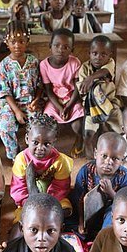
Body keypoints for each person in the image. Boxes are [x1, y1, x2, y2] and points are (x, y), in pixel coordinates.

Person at [10, 113, 73, 238]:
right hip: (28, 200)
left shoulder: (60, 162)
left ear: (54, 141)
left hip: (52, 199)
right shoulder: (21, 160)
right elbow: (18, 188)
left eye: (46, 144)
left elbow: (61, 188)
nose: (40, 148)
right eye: (35, 142)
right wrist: (30, 204)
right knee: (20, 221)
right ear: (27, 139)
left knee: (65, 208)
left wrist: (46, 205)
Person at [69, 132, 127, 238]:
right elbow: (78, 199)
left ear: (122, 159)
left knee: (114, 212)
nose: (108, 162)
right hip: (85, 214)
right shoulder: (86, 171)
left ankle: (103, 237)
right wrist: (81, 223)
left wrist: (111, 192)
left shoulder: (124, 176)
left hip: (111, 216)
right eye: (104, 156)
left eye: (115, 158)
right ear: (96, 153)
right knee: (68, 219)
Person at [0, 20, 42, 161]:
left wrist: (36, 100)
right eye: (13, 41)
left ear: (27, 41)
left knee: (37, 126)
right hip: (11, 104)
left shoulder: (33, 62)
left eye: (21, 41)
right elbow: (4, 92)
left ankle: (32, 154)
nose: (17, 45)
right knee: (6, 124)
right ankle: (14, 154)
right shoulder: (4, 64)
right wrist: (16, 111)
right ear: (7, 43)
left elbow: (40, 84)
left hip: (30, 102)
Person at [40, 28, 84, 157]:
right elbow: (48, 90)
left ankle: (80, 139)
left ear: (72, 50)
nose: (60, 49)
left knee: (78, 125)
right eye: (57, 45)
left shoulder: (74, 63)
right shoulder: (44, 65)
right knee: (48, 123)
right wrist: (60, 107)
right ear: (50, 47)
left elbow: (77, 88)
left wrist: (69, 106)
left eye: (66, 47)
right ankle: (50, 146)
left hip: (72, 98)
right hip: (55, 101)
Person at [77, 35, 122, 158]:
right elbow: (82, 89)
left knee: (119, 131)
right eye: (94, 53)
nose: (98, 57)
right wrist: (92, 84)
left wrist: (91, 78)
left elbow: (105, 71)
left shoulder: (110, 64)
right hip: (92, 108)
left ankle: (120, 153)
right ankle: (91, 160)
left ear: (109, 55)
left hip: (111, 105)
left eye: (103, 54)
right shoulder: (84, 68)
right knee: (88, 135)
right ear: (89, 53)